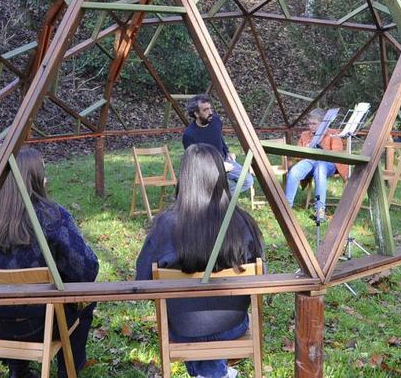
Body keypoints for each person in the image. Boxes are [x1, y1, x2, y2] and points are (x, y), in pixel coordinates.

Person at [0, 147, 98, 378]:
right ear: (37, 177)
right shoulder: (51, 216)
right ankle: (68, 371)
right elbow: (85, 270)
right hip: (37, 327)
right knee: (86, 301)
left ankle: (18, 370)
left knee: (14, 300)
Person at [136, 144, 264, 378]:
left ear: (184, 177)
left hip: (182, 327)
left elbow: (143, 279)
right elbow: (260, 274)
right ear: (221, 175)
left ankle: (212, 372)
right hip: (232, 324)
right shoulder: (242, 222)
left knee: (198, 325)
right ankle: (215, 372)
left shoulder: (165, 225)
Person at [284, 108, 348, 224]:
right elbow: (297, 155)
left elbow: (337, 154)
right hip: (309, 161)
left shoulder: (332, 134)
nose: (310, 126)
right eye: (309, 123)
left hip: (327, 163)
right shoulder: (305, 135)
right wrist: (305, 149)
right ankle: (286, 209)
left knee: (320, 169)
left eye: (314, 124)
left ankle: (320, 213)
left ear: (322, 123)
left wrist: (323, 151)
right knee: (294, 172)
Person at [181, 94, 253, 193]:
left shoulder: (215, 120)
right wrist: (219, 166)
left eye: (210, 108)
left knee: (247, 181)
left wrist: (227, 151)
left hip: (224, 161)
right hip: (206, 169)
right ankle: (218, 199)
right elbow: (195, 162)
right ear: (196, 114)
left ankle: (222, 198)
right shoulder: (189, 135)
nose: (210, 112)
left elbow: (219, 137)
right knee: (216, 187)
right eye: (206, 110)